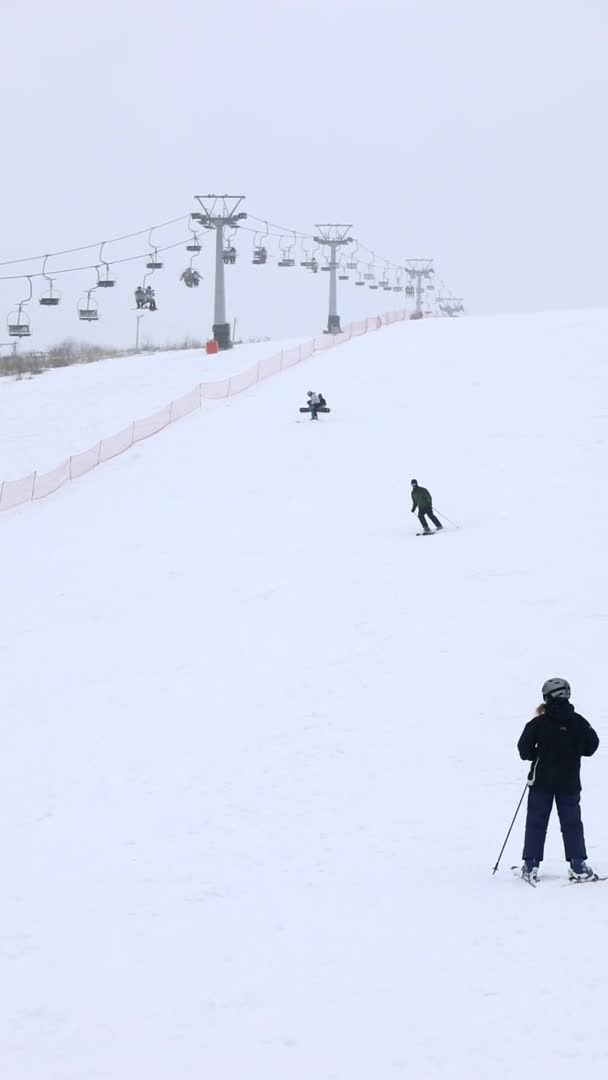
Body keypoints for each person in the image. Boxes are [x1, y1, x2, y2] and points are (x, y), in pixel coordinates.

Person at [517, 678, 599, 883]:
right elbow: (592, 745)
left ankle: (530, 865)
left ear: (547, 697)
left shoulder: (538, 723)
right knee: (572, 824)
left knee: (536, 823)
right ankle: (578, 866)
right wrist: (574, 750)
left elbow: (524, 749)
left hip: (541, 782)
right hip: (569, 783)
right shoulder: (578, 721)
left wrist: (538, 754)